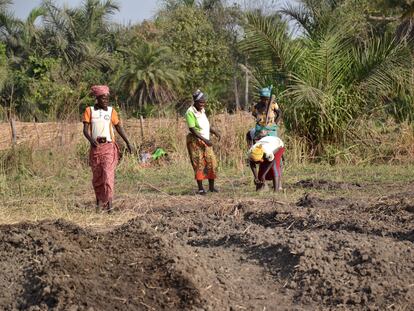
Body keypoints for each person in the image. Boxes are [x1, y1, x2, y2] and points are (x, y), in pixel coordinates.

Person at [82, 85, 132, 212]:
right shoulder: (89, 111)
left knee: (108, 175)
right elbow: (85, 130)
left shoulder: (111, 111)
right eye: (103, 98)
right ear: (97, 98)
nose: (106, 101)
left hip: (109, 147)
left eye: (107, 98)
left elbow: (119, 128)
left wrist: (128, 142)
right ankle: (99, 205)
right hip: (96, 148)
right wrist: (91, 140)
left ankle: (109, 206)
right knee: (98, 177)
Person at [185, 90, 220, 195]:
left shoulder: (202, 111)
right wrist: (205, 140)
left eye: (204, 102)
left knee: (211, 162)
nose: (202, 104)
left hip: (205, 140)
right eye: (200, 102)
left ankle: (211, 187)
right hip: (195, 142)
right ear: (195, 102)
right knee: (199, 164)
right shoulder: (190, 112)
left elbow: (206, 125)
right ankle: (200, 189)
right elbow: (192, 129)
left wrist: (215, 132)